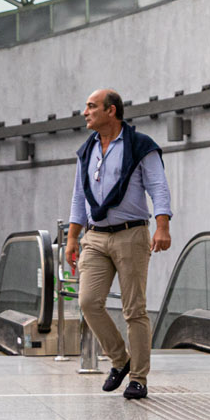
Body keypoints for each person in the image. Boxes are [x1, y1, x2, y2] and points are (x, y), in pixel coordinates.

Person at [65, 88, 172, 400]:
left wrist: (162, 226)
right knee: (88, 302)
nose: (85, 112)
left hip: (131, 233)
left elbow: (158, 187)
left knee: (134, 309)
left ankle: (138, 377)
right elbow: (78, 196)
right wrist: (73, 237)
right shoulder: (87, 150)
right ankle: (120, 360)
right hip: (95, 236)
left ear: (111, 111)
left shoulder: (141, 146)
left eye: (91, 106)